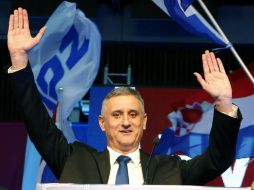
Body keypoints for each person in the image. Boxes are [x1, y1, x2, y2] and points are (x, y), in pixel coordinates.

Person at [7, 8, 242, 185]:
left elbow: (217, 160)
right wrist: (19, 59)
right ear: (102, 123)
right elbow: (37, 123)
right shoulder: (76, 160)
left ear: (145, 121)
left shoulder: (171, 169)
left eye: (133, 114)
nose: (126, 121)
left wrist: (223, 103)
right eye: (117, 114)